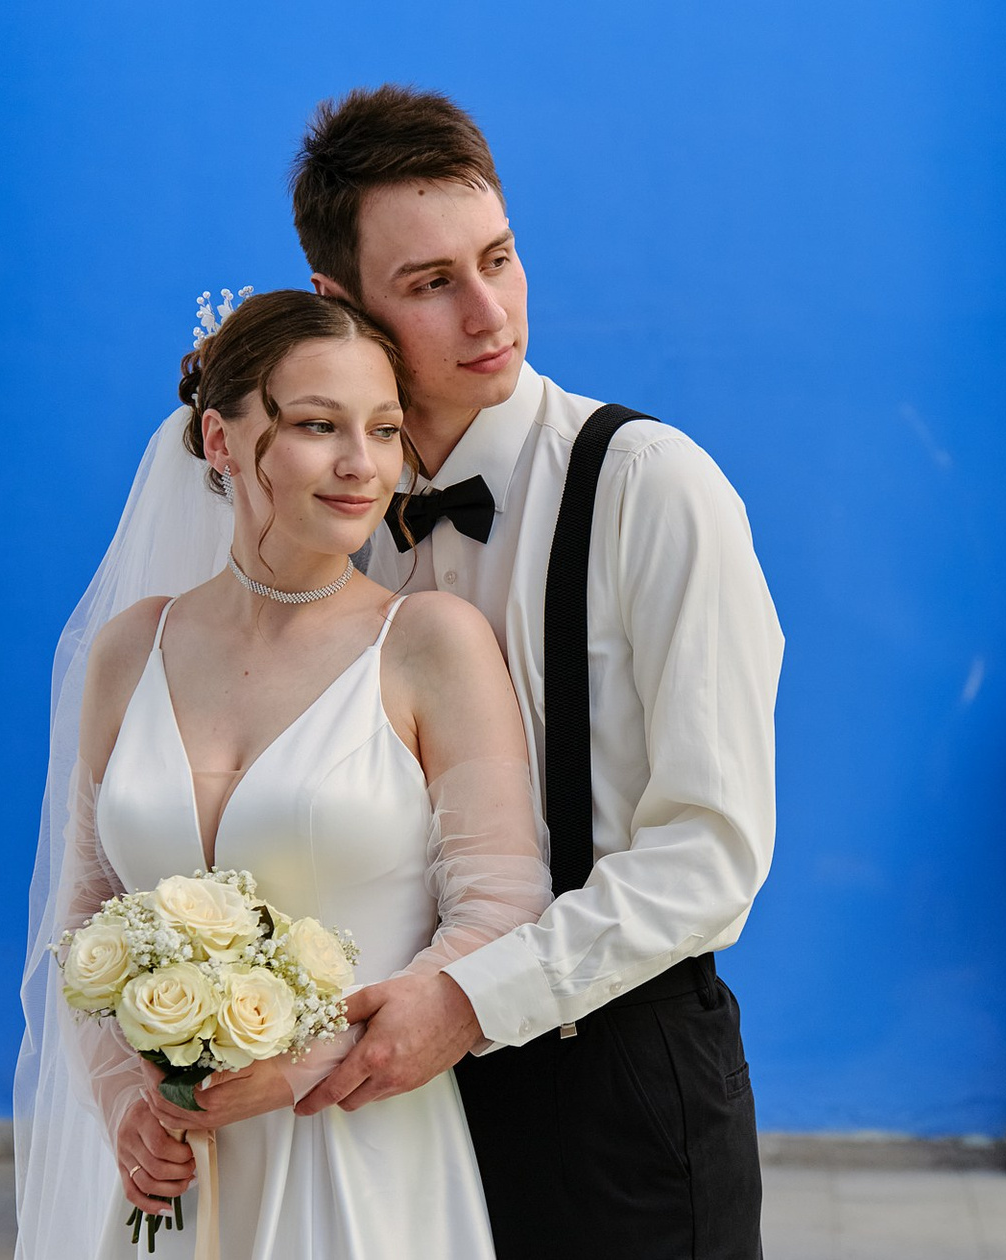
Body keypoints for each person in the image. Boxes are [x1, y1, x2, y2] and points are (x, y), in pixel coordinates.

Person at [287, 87, 785, 1258]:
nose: (489, 312)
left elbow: (712, 855)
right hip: (392, 1118)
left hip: (616, 1095)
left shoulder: (651, 486)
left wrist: (470, 1001)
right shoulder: (330, 523)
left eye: (498, 260)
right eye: (430, 283)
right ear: (341, 304)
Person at [14, 288, 552, 1258]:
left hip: (363, 1165)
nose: (363, 465)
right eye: (317, 426)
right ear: (220, 441)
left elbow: (501, 908)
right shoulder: (132, 649)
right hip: (177, 1174)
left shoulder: (430, 643)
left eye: (383, 430)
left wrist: (306, 1061)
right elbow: (87, 906)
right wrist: (124, 1101)